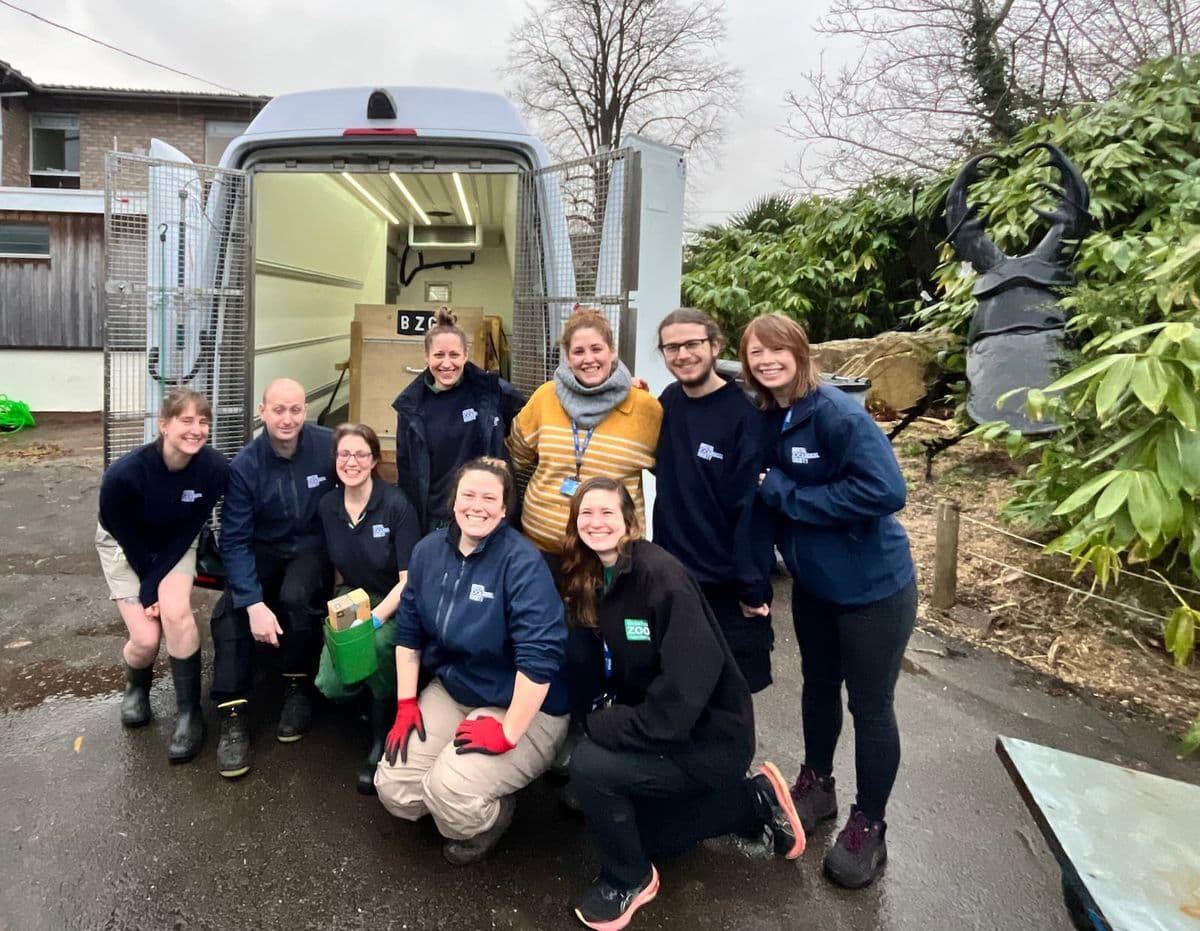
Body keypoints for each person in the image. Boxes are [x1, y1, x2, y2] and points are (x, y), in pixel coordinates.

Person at [560, 477, 805, 931]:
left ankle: (629, 879)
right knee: (644, 834)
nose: (596, 522)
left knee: (591, 765)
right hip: (665, 727)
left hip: (707, 737)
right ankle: (757, 800)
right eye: (586, 514)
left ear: (631, 522)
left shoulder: (660, 578)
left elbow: (681, 696)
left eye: (607, 512)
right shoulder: (598, 573)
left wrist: (604, 725)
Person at [742, 313, 917, 889]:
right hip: (816, 589)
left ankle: (871, 822)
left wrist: (790, 495)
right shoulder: (772, 414)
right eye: (755, 353)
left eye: (776, 351)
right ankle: (817, 784)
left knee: (870, 707)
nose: (766, 361)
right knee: (818, 686)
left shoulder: (838, 413)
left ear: (799, 352)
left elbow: (887, 490)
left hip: (872, 590)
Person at [373, 457, 569, 865]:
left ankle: (492, 814)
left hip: (521, 704)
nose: (477, 506)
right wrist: (407, 704)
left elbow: (540, 656)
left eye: (489, 498)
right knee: (394, 788)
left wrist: (509, 731)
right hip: (456, 688)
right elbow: (408, 636)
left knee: (451, 793)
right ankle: (455, 795)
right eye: (469, 495)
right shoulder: (428, 553)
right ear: (454, 501)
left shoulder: (521, 562)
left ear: (503, 508)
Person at [210, 378, 337, 778]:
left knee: (298, 596)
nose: (287, 419)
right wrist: (251, 600)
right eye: (278, 410)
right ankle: (232, 713)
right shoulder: (245, 465)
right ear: (262, 412)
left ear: (306, 411)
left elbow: (360, 479)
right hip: (260, 549)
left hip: (308, 549)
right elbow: (233, 540)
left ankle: (298, 684)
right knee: (231, 610)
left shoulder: (327, 446)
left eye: (296, 410)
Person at [95, 388, 229, 763]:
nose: (196, 429)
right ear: (164, 424)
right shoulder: (124, 475)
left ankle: (189, 715)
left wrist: (156, 586)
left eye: (203, 422)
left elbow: (188, 532)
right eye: (186, 420)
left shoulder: (213, 470)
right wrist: (147, 582)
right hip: (125, 544)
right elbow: (124, 535)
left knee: (176, 614)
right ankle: (136, 687)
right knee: (145, 637)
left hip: (174, 543)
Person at [651, 307, 775, 693]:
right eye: (672, 347)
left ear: (715, 346)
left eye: (692, 344)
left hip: (724, 581)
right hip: (673, 572)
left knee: (733, 690)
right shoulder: (669, 401)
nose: (683, 354)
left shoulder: (746, 413)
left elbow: (751, 509)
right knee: (680, 681)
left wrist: (752, 587)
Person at [507, 305, 662, 565]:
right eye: (578, 351)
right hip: (541, 551)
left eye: (597, 349)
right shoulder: (546, 397)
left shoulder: (644, 408)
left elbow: (672, 475)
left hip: (610, 555)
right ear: (567, 357)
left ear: (612, 351)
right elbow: (514, 455)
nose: (588, 359)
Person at [314, 423, 421, 794]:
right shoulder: (328, 506)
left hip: (393, 600)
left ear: (374, 459)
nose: (352, 461)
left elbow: (409, 579)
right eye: (344, 454)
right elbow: (331, 566)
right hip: (351, 598)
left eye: (361, 454)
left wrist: (375, 619)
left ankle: (380, 735)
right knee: (330, 685)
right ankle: (367, 694)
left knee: (374, 647)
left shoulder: (395, 505)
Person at [392, 307, 525, 534]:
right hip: (437, 516)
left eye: (454, 355)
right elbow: (406, 469)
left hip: (484, 511)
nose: (446, 363)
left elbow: (527, 417)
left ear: (465, 354)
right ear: (426, 357)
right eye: (438, 355)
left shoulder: (490, 392)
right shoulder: (410, 407)